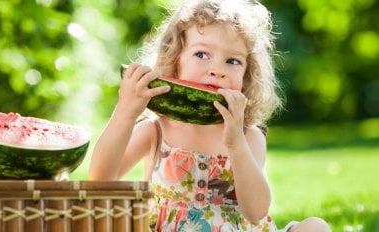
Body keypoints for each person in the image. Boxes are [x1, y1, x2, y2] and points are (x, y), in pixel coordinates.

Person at [89, 0, 330, 231]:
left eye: (233, 61)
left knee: (315, 227)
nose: (217, 70)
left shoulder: (249, 136)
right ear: (175, 60)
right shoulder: (157, 130)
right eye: (201, 55)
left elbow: (256, 211)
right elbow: (101, 179)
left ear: (247, 76)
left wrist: (236, 144)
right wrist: (125, 112)